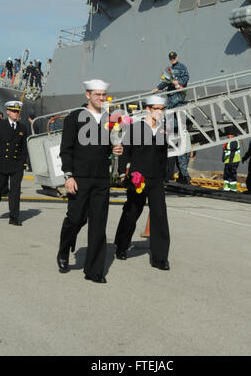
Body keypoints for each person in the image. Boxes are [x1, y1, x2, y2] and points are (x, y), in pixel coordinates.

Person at [57, 79, 123, 283]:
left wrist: (116, 150)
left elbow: (110, 145)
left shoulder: (110, 119)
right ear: (88, 95)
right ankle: (63, 250)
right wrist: (68, 176)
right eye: (97, 95)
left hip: (101, 179)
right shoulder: (74, 118)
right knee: (75, 219)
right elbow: (66, 150)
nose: (101, 98)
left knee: (98, 224)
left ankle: (94, 271)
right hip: (80, 178)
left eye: (103, 95)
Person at [114, 95, 170, 271]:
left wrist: (164, 176)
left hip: (156, 181)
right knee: (132, 212)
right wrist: (123, 174)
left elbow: (163, 157)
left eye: (162, 109)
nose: (160, 112)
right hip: (138, 179)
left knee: (160, 216)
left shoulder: (162, 130)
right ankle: (121, 246)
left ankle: (160, 258)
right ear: (148, 109)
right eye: (156, 109)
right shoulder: (136, 129)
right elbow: (124, 152)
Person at [0, 101, 28, 225]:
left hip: (16, 165)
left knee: (15, 191)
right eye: (14, 111)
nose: (16, 113)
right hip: (1, 163)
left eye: (18, 111)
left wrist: (23, 163)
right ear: (8, 112)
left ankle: (14, 217)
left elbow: (23, 148)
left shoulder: (22, 128)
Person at [153, 51, 190, 184]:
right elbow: (164, 81)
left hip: (179, 100)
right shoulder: (168, 70)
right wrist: (157, 88)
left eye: (174, 58)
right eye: (171, 58)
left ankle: (184, 172)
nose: (173, 60)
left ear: (177, 58)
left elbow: (186, 79)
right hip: (171, 101)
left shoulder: (182, 67)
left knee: (180, 128)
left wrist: (177, 83)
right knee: (169, 126)